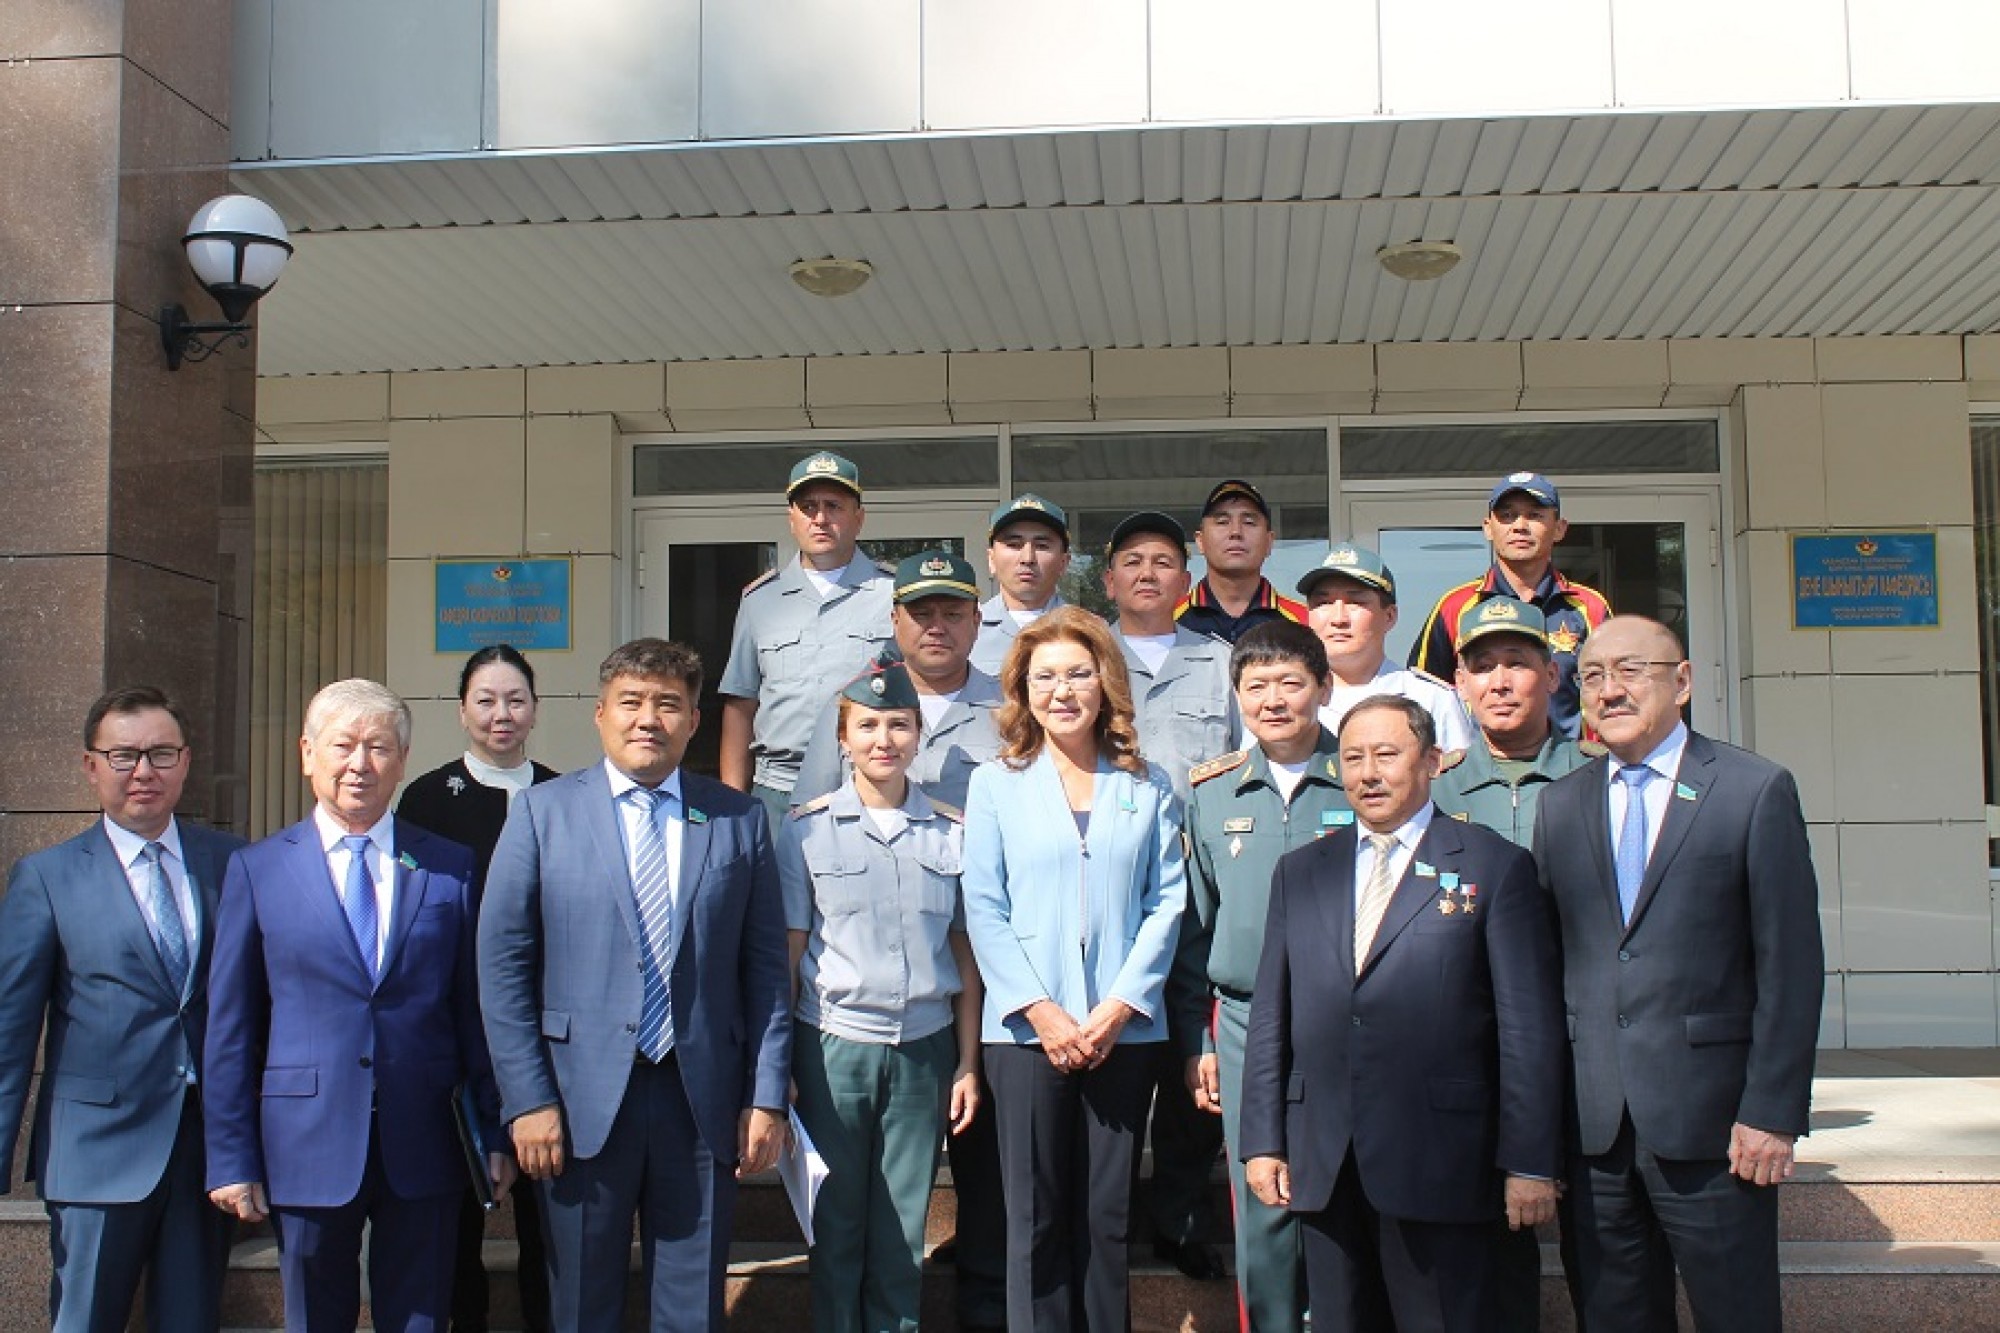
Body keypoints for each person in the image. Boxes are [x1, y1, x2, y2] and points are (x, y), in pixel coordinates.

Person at [479, 638, 792, 1333]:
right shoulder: (541, 813)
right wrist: (527, 1099)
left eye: (668, 704)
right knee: (581, 1306)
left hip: (701, 1100)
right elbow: (502, 969)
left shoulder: (738, 820)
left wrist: (766, 1093)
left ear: (694, 721)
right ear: (600, 714)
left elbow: (767, 970)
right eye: (631, 702)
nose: (649, 718)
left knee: (692, 1309)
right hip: (576, 1103)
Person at [1531, 616, 1823, 1333]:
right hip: (1593, 1128)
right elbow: (1546, 967)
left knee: (1737, 1315)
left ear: (1683, 681)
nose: (1610, 690)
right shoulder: (1561, 803)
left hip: (1716, 1126)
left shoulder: (1753, 789)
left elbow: (1791, 966)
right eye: (1592, 676)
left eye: (1630, 670)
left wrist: (1772, 1111)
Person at [1238, 694, 1564, 1333]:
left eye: (1386, 754)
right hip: (1326, 1159)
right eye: (1353, 757)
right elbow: (1273, 1014)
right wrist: (1263, 1141)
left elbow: (1526, 1028)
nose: (1368, 773)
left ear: (1432, 761)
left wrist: (1529, 1160)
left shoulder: (1495, 866)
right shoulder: (1301, 872)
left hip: (1442, 1160)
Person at [205, 679, 510, 1333]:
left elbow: (473, 1012)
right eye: (343, 745)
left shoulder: (449, 867)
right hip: (304, 1140)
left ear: (402, 761)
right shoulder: (259, 870)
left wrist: (493, 1129)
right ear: (307, 754)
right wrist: (231, 1156)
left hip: (425, 1137)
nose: (359, 763)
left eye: (378, 747)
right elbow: (231, 1027)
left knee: (422, 1317)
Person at [788, 550, 1010, 1330]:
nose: (884, 739)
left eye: (899, 725)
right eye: (868, 726)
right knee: (836, 1231)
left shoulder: (951, 831)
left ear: (919, 735)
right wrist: (778, 1065)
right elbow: (789, 954)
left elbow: (965, 956)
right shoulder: (805, 832)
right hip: (831, 1044)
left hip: (923, 1046)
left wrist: (968, 1060)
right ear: (843, 737)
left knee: (900, 1231)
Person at [961, 607, 1187, 1332]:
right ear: (1022, 691)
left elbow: (1166, 902)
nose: (1062, 691)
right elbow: (983, 906)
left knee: (1106, 1217)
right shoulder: (996, 784)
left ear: (1105, 683)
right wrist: (1039, 1008)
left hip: (1123, 1032)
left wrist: (1121, 1004)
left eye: (1079, 674)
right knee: (1033, 1217)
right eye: (1045, 677)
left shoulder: (1147, 784)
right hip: (1027, 1036)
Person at [0, 687, 242, 1333]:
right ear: (91, 765)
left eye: (161, 753)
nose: (143, 771)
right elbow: (10, 1029)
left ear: (185, 762)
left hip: (204, 1157)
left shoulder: (233, 863)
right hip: (94, 1154)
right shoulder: (47, 877)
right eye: (123, 755)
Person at [1170, 622, 1351, 1333]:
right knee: (1264, 1194)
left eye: (1291, 683)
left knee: (1345, 1188)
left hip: (1347, 1018)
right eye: (1256, 686)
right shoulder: (1213, 792)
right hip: (1246, 1021)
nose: (1273, 700)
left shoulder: (1361, 775)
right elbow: (1195, 929)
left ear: (1324, 688)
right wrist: (1199, 1040)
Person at [1430, 600, 1600, 1333]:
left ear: (1553, 675)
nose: (1500, 681)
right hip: (1481, 1051)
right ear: (1460, 683)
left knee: (1605, 1250)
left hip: (1589, 1040)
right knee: (1492, 1261)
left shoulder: (1599, 777)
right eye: (1482, 666)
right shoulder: (1433, 788)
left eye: (1518, 664)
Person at [396, 645, 559, 1333]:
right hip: (455, 1031)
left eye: (515, 699)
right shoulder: (426, 798)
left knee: (548, 1222)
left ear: (535, 710)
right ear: (462, 710)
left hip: (546, 1031)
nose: (501, 714)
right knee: (457, 1218)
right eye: (486, 700)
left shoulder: (561, 793)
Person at [1100, 510, 1233, 1282]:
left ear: (1187, 580)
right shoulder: (1083, 655)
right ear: (1108, 579)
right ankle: (1108, 1215)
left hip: (1197, 892)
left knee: (1194, 1056)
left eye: (1162, 560)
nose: (1147, 572)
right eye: (1131, 560)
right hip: (1106, 889)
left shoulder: (1221, 663)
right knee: (1113, 1058)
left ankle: (1181, 1217)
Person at [719, 450, 895, 824]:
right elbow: (740, 705)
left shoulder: (892, 595)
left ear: (859, 518)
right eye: (808, 507)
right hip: (777, 789)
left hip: (866, 784)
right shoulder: (759, 600)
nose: (820, 518)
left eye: (834, 506)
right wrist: (732, 803)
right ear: (792, 519)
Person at [793, 549, 1005, 811]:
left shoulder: (1012, 709)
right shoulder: (849, 704)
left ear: (976, 621)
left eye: (952, 615)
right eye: (922, 614)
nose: (937, 629)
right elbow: (811, 815)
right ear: (895, 620)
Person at [1407, 472, 1612, 738]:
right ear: (1487, 527)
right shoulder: (1454, 606)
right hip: (1478, 762)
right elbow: (1422, 698)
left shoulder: (1590, 607)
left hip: (1572, 760)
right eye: (1507, 515)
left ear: (1559, 528)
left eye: (1534, 515)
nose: (1519, 526)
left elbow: (1612, 692)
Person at [1297, 543, 1473, 752]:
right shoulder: (1290, 699)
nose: (1338, 619)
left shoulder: (1430, 698)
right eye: (1323, 603)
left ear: (1389, 616)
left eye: (1355, 602)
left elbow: (1459, 771)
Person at [1175, 480, 1308, 643]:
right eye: (1222, 522)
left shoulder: (1304, 621)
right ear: (1200, 541)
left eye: (1249, 522)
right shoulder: (1168, 618)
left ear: (1269, 542)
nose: (1236, 532)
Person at [968, 494, 1074, 675]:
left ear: (1063, 562)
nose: (1027, 558)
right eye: (1014, 544)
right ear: (991, 559)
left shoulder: (1090, 630)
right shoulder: (966, 631)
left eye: (1042, 546)